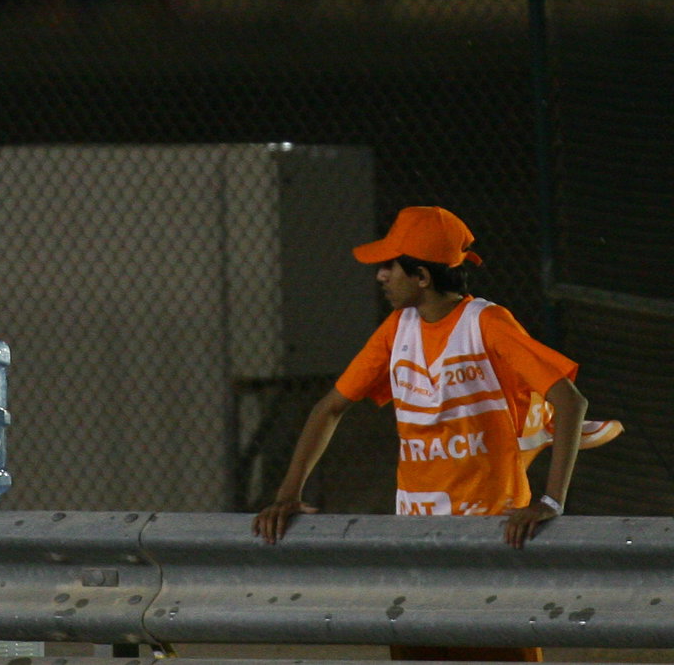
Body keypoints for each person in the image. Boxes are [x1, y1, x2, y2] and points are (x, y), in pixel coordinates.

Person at [252, 206, 618, 662]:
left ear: (422, 276)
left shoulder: (487, 323)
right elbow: (329, 407)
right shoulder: (397, 329)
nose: (381, 276)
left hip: (491, 536)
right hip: (416, 538)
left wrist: (549, 502)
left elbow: (571, 402)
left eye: (390, 266)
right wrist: (288, 493)